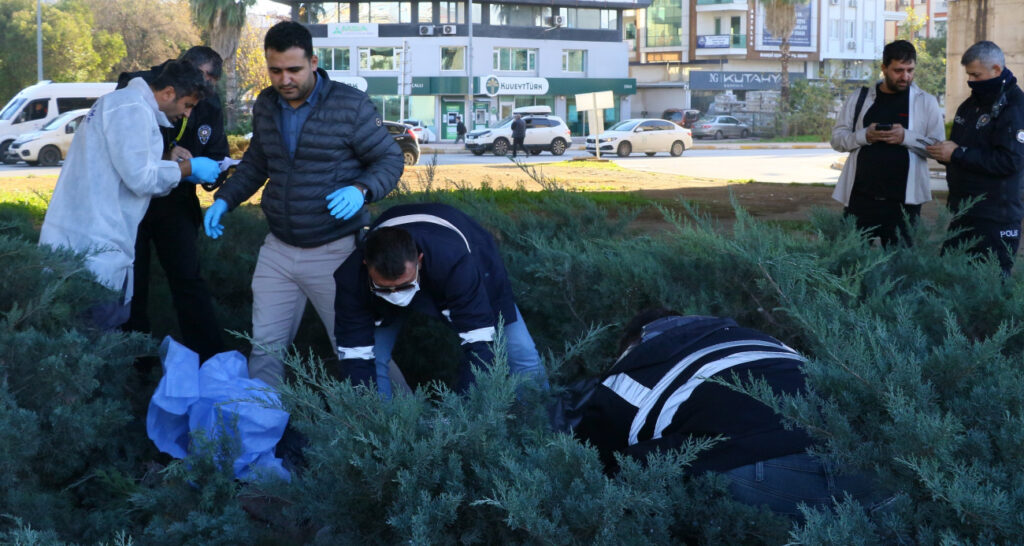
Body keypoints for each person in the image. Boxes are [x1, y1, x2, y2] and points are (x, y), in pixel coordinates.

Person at [203, 21, 404, 386]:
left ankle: (402, 428)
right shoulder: (266, 104)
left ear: (313, 62)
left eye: (294, 69)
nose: (284, 80)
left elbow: (390, 160)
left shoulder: (350, 105)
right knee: (264, 350)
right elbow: (257, 163)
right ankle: (260, 435)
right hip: (278, 249)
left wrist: (361, 189)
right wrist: (225, 200)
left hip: (336, 250)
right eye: (275, 70)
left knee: (357, 349)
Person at [566, 309, 890, 518]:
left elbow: (593, 462)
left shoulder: (631, 372)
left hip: (761, 475)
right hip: (869, 465)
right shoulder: (763, 340)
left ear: (634, 344)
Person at [39, 61, 218, 329]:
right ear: (169, 93)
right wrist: (186, 169)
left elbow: (125, 167)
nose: (188, 114)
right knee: (96, 343)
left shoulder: (123, 104)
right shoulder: (132, 109)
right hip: (94, 248)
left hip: (84, 239)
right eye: (188, 105)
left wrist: (169, 164)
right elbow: (141, 178)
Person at [334, 203, 549, 398]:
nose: (396, 294)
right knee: (373, 356)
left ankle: (540, 426)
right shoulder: (351, 278)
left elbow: (481, 345)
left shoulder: (458, 264)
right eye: (384, 288)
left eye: (404, 285)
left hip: (464, 262)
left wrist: (464, 415)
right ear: (365, 264)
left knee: (522, 352)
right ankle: (380, 430)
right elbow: (355, 354)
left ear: (419, 260)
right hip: (396, 274)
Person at [117, 47, 228, 361]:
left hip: (176, 201)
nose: (200, 88)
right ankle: (134, 363)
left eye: (209, 82)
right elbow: (128, 152)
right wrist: (167, 156)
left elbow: (217, 152)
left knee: (188, 279)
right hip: (134, 201)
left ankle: (209, 360)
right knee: (131, 282)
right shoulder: (137, 88)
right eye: (197, 78)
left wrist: (210, 174)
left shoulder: (210, 105)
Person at [831, 40, 945, 247]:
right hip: (860, 198)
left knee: (899, 267)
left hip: (904, 202)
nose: (905, 76)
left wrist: (906, 137)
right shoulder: (860, 98)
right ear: (884, 68)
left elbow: (939, 148)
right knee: (850, 263)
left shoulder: (926, 102)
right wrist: (865, 135)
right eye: (898, 70)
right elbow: (837, 140)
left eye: (910, 70)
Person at [927, 41, 1024, 275]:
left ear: (996, 70)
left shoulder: (1014, 107)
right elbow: (964, 151)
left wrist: (958, 154)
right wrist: (944, 153)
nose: (970, 80)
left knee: (988, 288)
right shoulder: (971, 105)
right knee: (947, 279)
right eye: (968, 74)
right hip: (964, 212)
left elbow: (1010, 161)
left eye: (976, 75)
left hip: (995, 217)